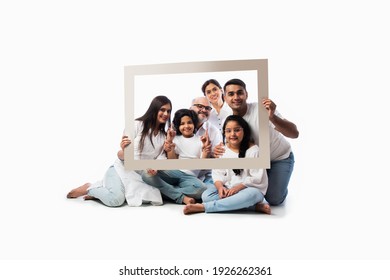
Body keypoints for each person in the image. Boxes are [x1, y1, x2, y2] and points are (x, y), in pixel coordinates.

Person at [66, 95, 173, 207]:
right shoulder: (136, 125)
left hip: (140, 177)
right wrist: (124, 151)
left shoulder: (163, 136)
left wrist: (156, 167)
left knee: (152, 198)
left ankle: (103, 192)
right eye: (162, 110)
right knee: (116, 200)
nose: (166, 114)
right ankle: (89, 187)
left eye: (169, 111)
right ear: (154, 109)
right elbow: (121, 155)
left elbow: (161, 159)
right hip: (121, 170)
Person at [216, 78, 299, 206]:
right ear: (225, 97)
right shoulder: (226, 117)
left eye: (240, 93)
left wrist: (273, 117)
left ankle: (279, 184)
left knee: (274, 199)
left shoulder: (261, 110)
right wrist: (218, 149)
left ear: (246, 94)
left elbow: (294, 133)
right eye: (231, 94)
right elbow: (231, 143)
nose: (236, 97)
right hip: (254, 163)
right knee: (238, 189)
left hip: (278, 158)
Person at [183, 115, 270, 215]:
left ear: (244, 131)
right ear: (224, 133)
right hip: (229, 189)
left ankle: (204, 207)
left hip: (249, 190)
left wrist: (237, 188)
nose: (233, 134)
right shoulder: (222, 150)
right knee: (206, 196)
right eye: (228, 131)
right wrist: (220, 188)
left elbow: (257, 178)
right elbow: (217, 173)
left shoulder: (254, 151)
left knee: (252, 195)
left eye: (237, 130)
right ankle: (253, 207)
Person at [142, 109, 209, 205]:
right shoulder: (175, 139)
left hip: (190, 177)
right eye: (182, 124)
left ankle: (167, 192)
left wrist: (206, 150)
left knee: (202, 189)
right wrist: (170, 146)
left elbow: (203, 165)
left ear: (194, 123)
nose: (186, 126)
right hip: (174, 172)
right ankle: (181, 197)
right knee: (146, 174)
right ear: (178, 126)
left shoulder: (200, 140)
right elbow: (172, 161)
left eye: (189, 122)